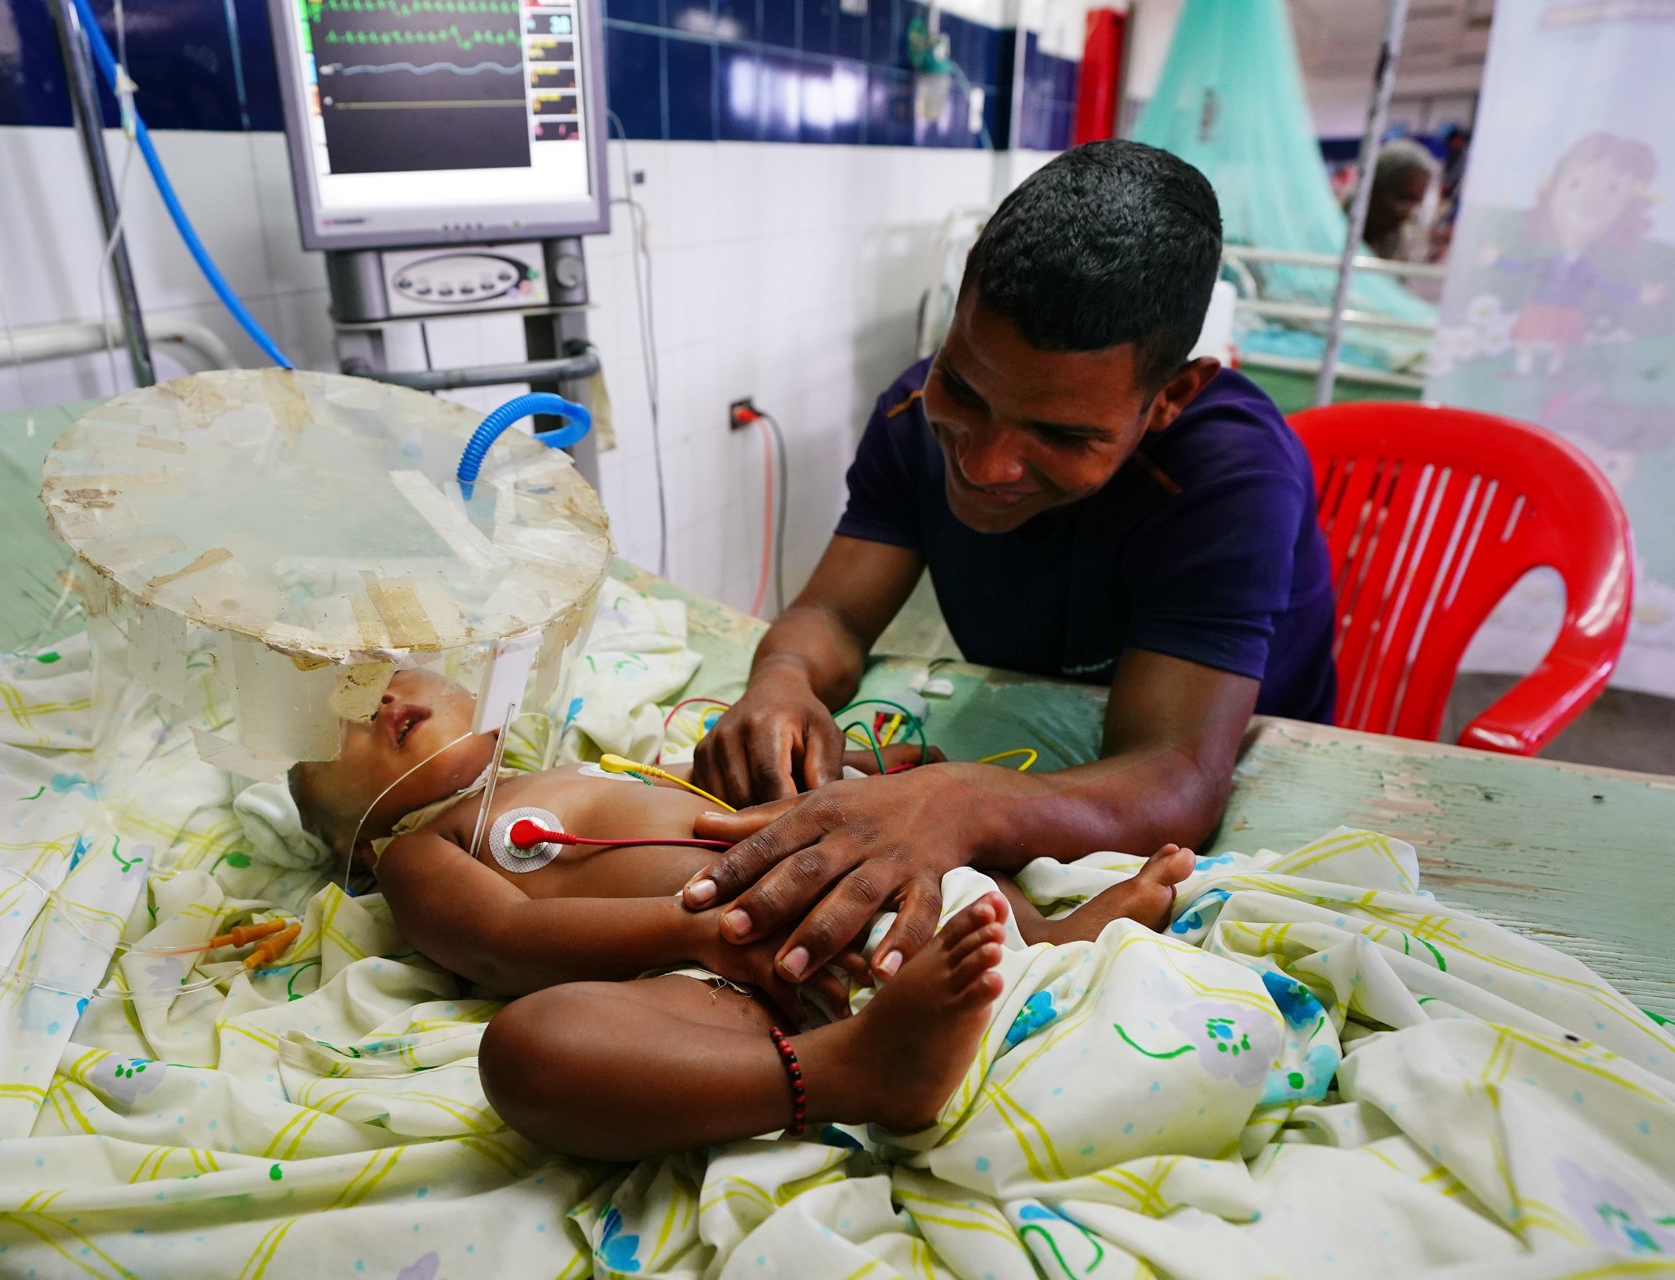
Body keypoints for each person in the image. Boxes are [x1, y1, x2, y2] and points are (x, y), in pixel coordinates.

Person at [683, 141, 1333, 1006]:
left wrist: (958, 803)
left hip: (1257, 775)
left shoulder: (1229, 478)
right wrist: (782, 682)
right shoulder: (915, 415)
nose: (986, 465)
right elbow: (833, 620)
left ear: (1169, 399)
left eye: (1063, 436)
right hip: (1040, 741)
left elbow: (1176, 774)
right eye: (966, 386)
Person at [288, 668, 1196, 1161]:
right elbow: (505, 943)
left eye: (386, 674)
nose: (377, 700)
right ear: (353, 843)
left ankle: (1050, 937)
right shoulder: (418, 850)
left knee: (920, 826)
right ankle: (845, 1070)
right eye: (339, 725)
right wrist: (697, 937)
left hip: (840, 878)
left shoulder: (585, 762)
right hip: (713, 978)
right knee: (531, 1052)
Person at [1354, 137, 1439, 261]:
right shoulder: (1334, 229)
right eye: (1403, 200)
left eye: (1415, 204)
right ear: (1374, 187)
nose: (1408, 214)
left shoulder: (1398, 244)